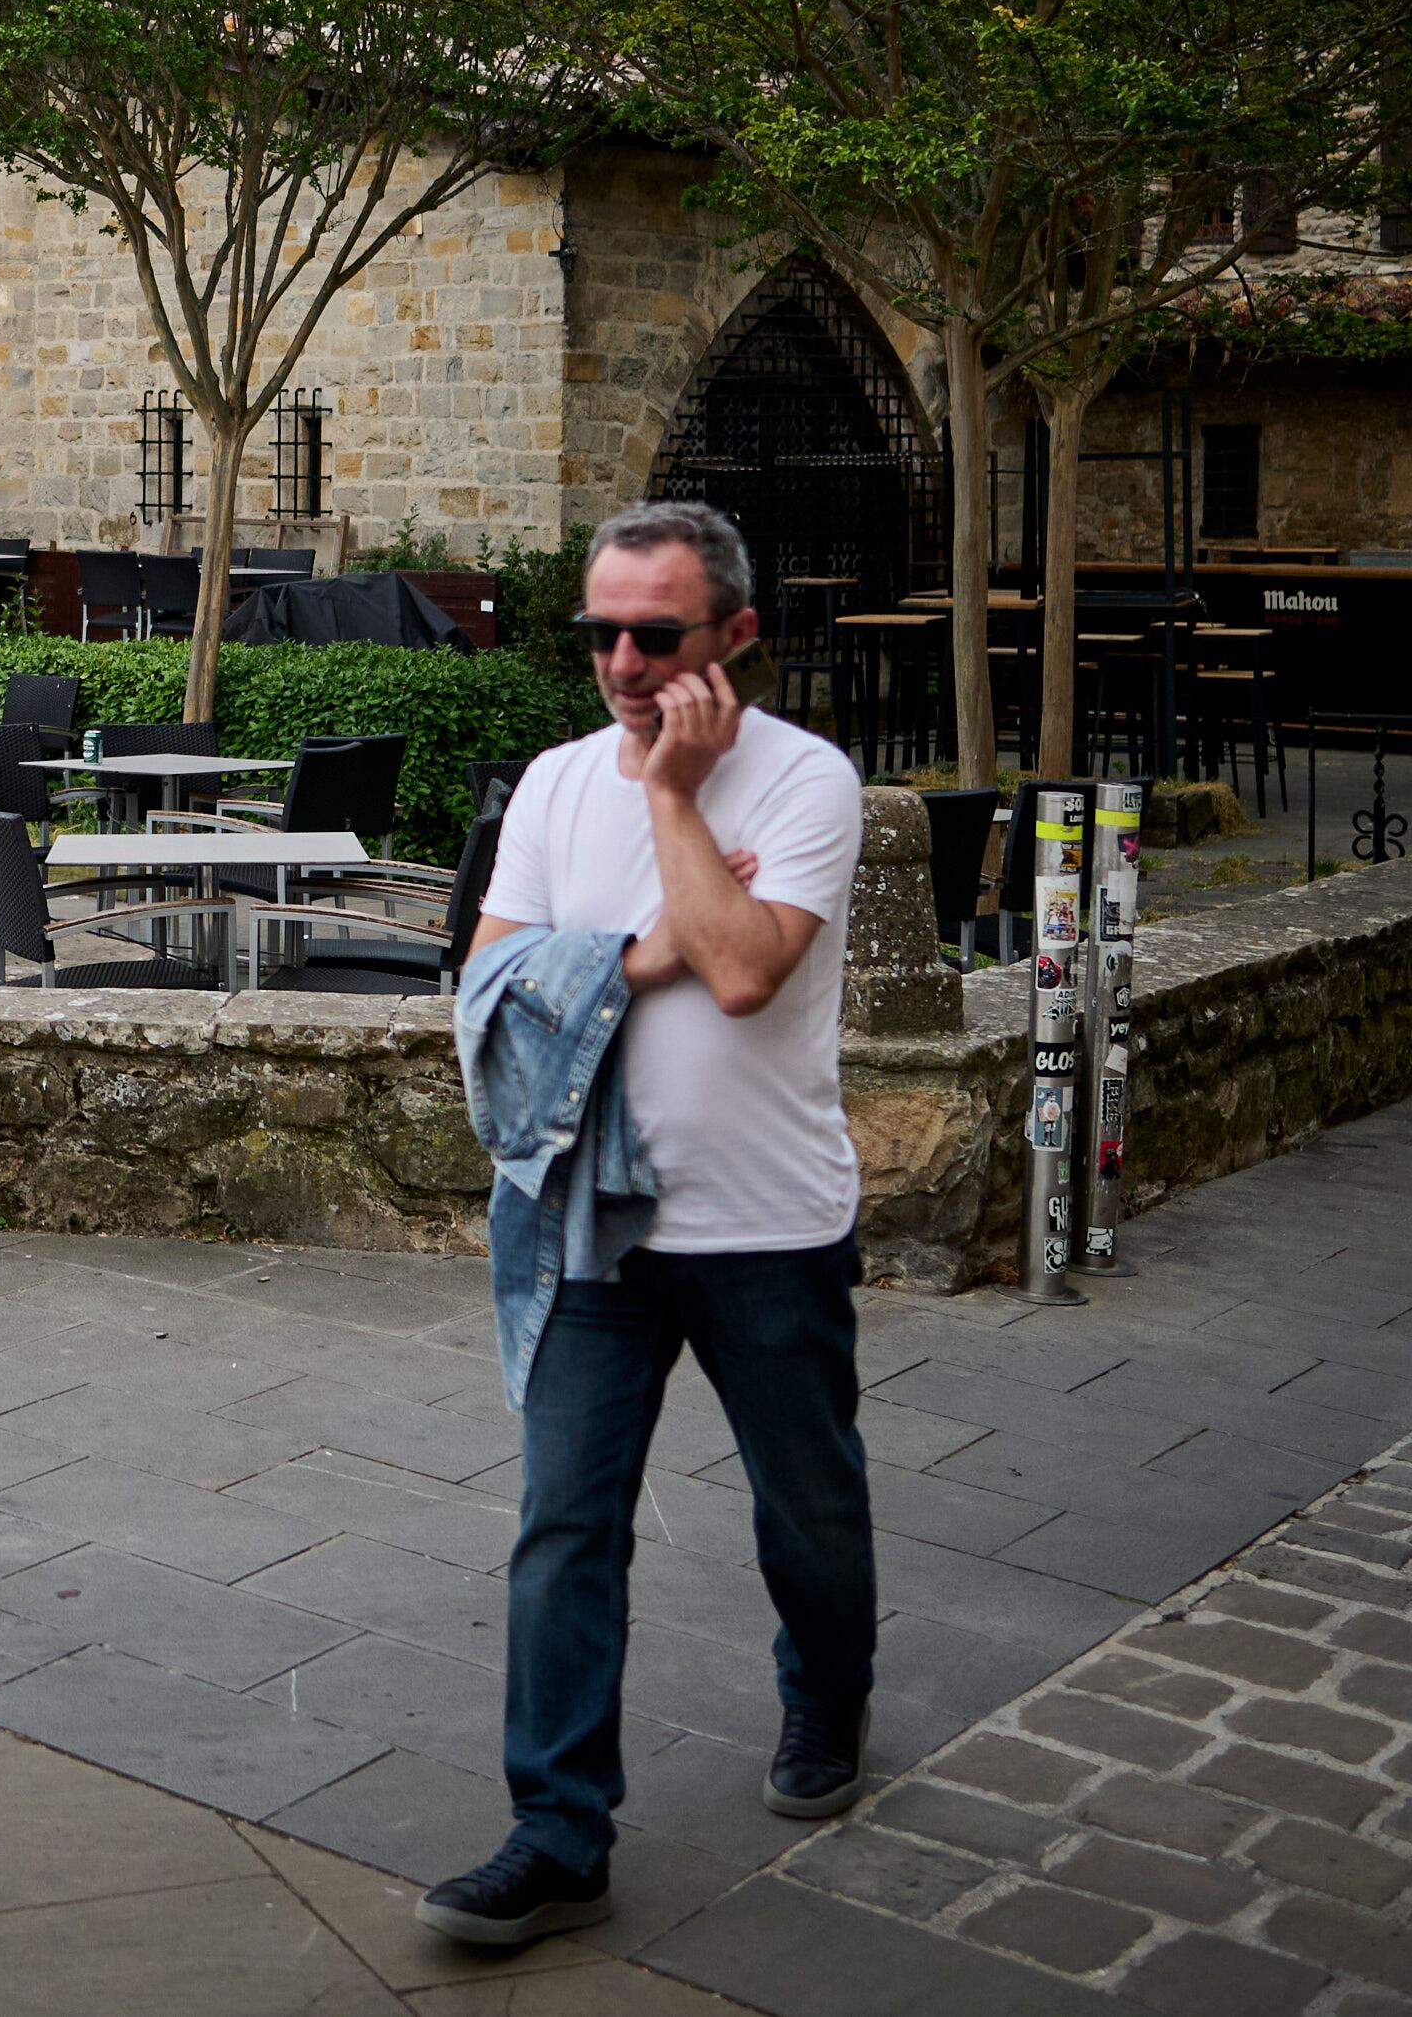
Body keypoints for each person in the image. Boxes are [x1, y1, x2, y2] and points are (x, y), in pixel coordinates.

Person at [418, 500, 876, 1952]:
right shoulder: (555, 785)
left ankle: (827, 1686)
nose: (621, 657)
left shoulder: (807, 782)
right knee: (564, 1526)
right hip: (587, 1218)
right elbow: (488, 989)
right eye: (600, 629)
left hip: (767, 1223)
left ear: (735, 633)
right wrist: (639, 948)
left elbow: (743, 972)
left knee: (804, 1502)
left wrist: (675, 801)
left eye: (654, 632)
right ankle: (557, 1834)